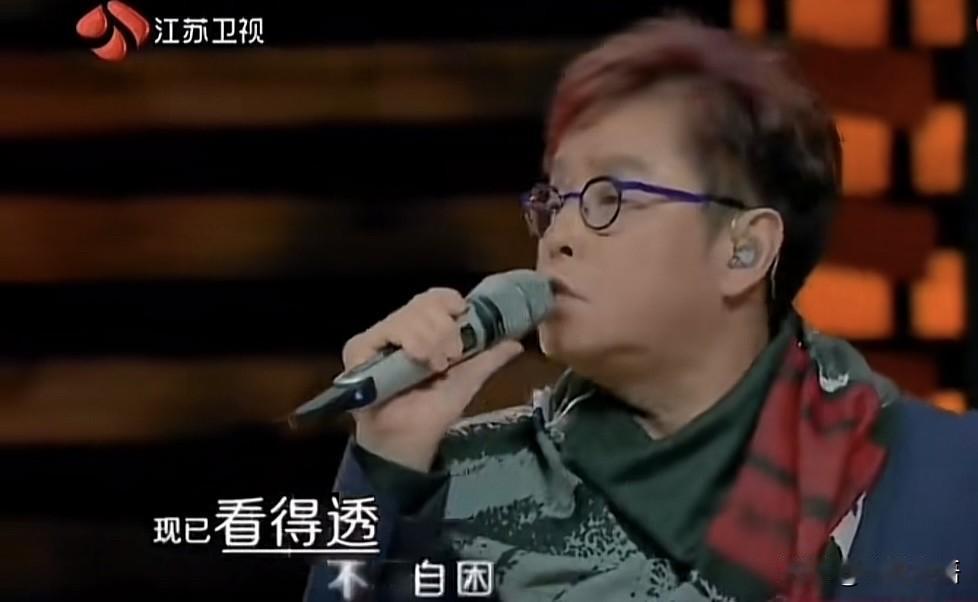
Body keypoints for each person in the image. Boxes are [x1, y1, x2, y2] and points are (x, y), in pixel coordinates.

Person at [303, 16, 978, 602]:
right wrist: (385, 462)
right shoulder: (464, 484)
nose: (559, 236)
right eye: (554, 200)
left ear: (743, 251)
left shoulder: (943, 479)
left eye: (611, 197)